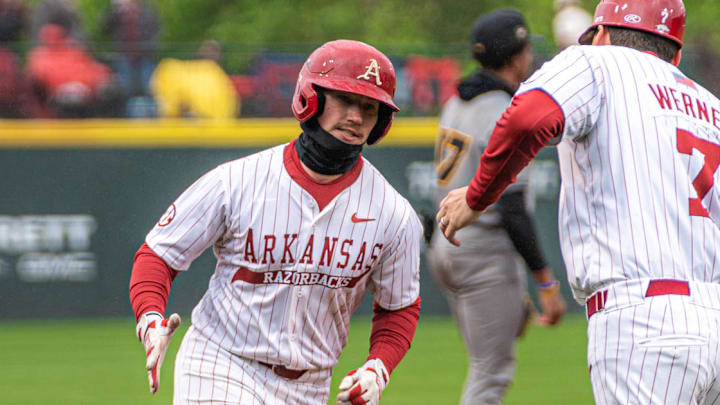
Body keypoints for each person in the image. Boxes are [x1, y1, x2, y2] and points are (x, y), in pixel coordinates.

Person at [437, 0, 720, 403]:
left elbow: (526, 117)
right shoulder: (710, 107)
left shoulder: (594, 62)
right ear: (674, 52)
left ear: (600, 35)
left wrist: (478, 195)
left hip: (644, 323)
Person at [129, 39, 422, 405]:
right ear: (310, 96)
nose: (357, 117)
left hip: (312, 385)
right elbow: (158, 254)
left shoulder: (393, 213)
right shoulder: (237, 181)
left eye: (370, 107)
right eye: (346, 99)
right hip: (221, 361)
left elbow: (400, 306)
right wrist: (150, 317)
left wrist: (379, 366)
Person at [428, 9, 566, 405]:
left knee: (486, 360)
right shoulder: (503, 110)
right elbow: (510, 208)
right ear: (515, 57)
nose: (529, 58)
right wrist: (545, 282)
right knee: (492, 373)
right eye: (525, 50)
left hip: (447, 248)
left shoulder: (459, 98)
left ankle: (509, 301)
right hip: (483, 253)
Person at [150, 39, 239, 119]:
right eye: (207, 50)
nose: (209, 53)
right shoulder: (189, 70)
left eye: (213, 50)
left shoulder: (218, 75)